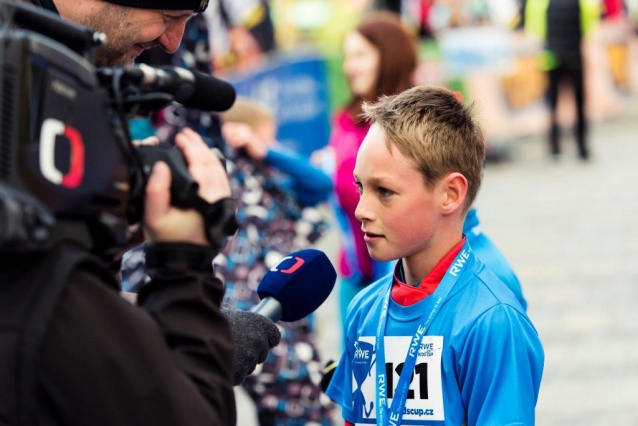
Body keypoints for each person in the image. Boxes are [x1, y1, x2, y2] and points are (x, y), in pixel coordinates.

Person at [326, 86, 544, 425]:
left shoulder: (491, 321)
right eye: (360, 187)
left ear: (450, 193)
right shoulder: (364, 311)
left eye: (384, 191)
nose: (361, 210)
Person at [313, 12, 418, 340]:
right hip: (353, 272)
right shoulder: (345, 117)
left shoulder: (415, 121)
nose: (349, 66)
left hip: (402, 274)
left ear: (389, 56)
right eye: (347, 56)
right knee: (356, 379)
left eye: (360, 55)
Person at [521, 0, 600, 160]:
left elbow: (534, 31)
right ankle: (581, 148)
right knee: (576, 103)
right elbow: (590, 25)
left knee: (553, 104)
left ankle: (556, 148)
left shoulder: (538, 3)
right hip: (572, 57)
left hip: (553, 58)